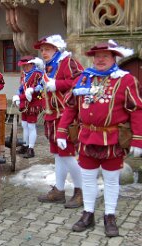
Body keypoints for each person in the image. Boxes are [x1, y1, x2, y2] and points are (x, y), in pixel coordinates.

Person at [56, 40, 142, 237]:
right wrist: (62, 131)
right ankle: (88, 213)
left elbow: (137, 110)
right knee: (88, 179)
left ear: (114, 58)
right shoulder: (83, 79)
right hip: (86, 136)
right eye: (97, 56)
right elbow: (70, 107)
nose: (100, 59)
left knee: (111, 180)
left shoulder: (126, 80)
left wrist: (138, 138)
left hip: (113, 138)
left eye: (105, 56)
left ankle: (110, 216)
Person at [31, 34, 84, 208]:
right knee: (58, 155)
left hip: (65, 115)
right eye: (42, 50)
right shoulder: (48, 67)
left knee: (67, 154)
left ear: (56, 49)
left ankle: (81, 191)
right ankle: (59, 190)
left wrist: (58, 84)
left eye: (47, 49)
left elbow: (81, 79)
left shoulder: (67, 62)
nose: (44, 52)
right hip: (52, 116)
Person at [12, 56, 44, 158]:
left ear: (32, 64)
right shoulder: (24, 74)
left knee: (31, 126)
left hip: (34, 103)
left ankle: (31, 149)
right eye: (23, 66)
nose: (24, 67)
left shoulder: (38, 73)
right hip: (25, 102)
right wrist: (18, 95)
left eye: (26, 65)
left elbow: (42, 86)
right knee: (24, 125)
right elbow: (21, 87)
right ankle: (25, 145)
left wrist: (33, 90)